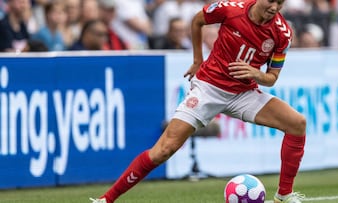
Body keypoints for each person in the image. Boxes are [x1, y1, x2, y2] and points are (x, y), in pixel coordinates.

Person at [90, 0, 306, 203]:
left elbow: (272, 78)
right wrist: (197, 60)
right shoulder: (230, 9)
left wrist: (255, 74)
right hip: (208, 89)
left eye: (280, 2)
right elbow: (197, 20)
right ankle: (106, 199)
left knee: (297, 123)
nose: (274, 7)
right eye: (271, 0)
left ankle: (284, 195)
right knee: (163, 150)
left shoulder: (282, 33)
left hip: (243, 93)